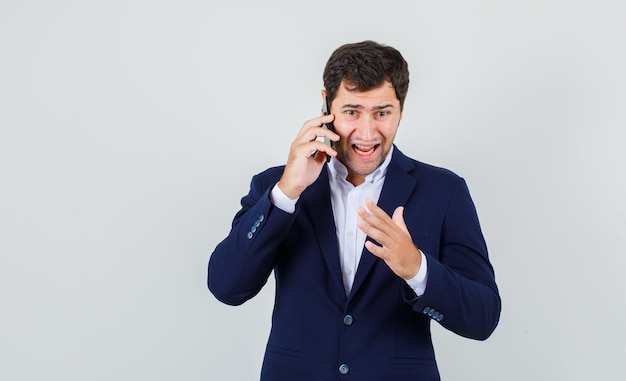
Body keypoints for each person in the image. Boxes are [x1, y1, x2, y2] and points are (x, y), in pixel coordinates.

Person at [208, 40, 500, 380]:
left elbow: (483, 318)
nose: (366, 132)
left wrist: (416, 268)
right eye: (351, 111)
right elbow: (226, 287)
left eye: (382, 113)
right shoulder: (276, 186)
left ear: (400, 111)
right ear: (325, 105)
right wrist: (288, 192)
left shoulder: (444, 191)